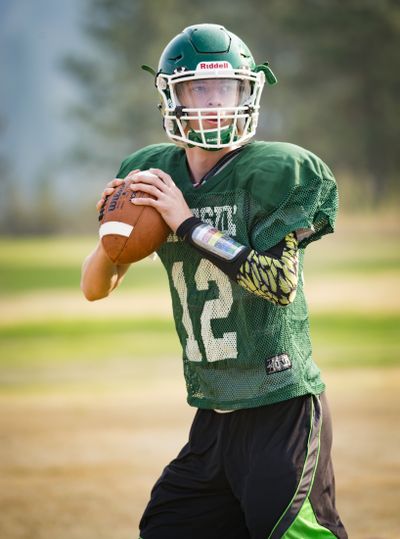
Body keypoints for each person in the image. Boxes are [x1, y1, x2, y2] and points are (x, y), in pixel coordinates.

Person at [81, 23, 347, 539]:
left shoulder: (275, 172)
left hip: (280, 406)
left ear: (247, 93)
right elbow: (95, 287)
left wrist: (188, 225)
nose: (212, 103)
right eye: (197, 89)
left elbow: (278, 284)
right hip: (213, 414)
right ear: (170, 96)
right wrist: (112, 233)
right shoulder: (154, 176)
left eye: (225, 89)